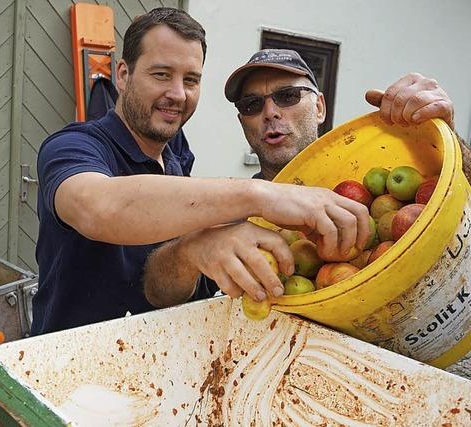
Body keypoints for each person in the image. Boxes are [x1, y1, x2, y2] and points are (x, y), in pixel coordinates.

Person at [30, 11, 370, 336]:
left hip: (148, 367)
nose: (178, 93)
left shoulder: (177, 151)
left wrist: (198, 249)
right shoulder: (74, 146)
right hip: (63, 370)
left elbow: (165, 278)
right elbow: (98, 208)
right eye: (161, 74)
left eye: (190, 79)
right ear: (122, 75)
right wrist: (260, 195)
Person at [143, 49, 470, 309]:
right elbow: (158, 292)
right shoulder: (234, 211)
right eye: (252, 104)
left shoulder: (369, 182)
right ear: (243, 123)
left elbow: (458, 214)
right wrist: (190, 251)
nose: (270, 112)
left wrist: (449, 136)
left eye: (287, 96)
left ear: (319, 107)